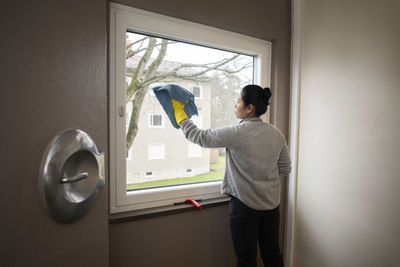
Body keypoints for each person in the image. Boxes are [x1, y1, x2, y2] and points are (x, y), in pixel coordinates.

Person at [179, 84, 291, 267]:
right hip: (271, 207)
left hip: (244, 208)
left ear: (249, 108)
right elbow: (285, 169)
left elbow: (200, 137)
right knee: (272, 255)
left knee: (246, 260)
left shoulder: (237, 133)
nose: (235, 104)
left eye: (238, 101)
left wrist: (182, 119)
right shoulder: (277, 134)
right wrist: (263, 174)